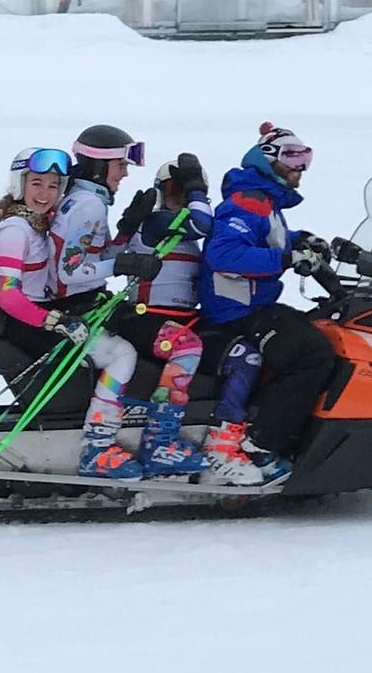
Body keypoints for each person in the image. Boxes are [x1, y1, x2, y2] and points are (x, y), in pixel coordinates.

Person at [116, 154, 265, 485]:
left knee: (247, 355)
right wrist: (197, 190)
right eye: (175, 188)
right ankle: (159, 441)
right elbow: (201, 222)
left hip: (186, 322)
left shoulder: (192, 240)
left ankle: (226, 442)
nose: (181, 197)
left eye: (189, 191)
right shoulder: (155, 223)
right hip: (147, 320)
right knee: (186, 346)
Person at [198, 123, 337, 475]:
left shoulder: (265, 202)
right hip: (236, 313)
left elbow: (269, 237)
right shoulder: (248, 201)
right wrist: (286, 259)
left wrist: (301, 240)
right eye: (292, 156)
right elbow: (225, 253)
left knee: (315, 331)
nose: (300, 166)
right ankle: (261, 443)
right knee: (313, 352)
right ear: (267, 158)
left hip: (253, 307)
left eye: (306, 157)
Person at [49, 124, 163, 479]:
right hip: (73, 307)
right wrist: (122, 264)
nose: (125, 174)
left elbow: (97, 254)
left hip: (83, 301)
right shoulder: (88, 207)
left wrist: (128, 228)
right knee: (122, 354)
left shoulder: (87, 200)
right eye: (120, 165)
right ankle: (97, 445)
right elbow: (70, 271)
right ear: (100, 166)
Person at [0, 146, 99, 411]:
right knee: (114, 355)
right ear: (21, 185)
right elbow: (8, 296)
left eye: (54, 186)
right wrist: (54, 321)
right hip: (24, 323)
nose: (45, 193)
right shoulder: (15, 232)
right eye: (37, 183)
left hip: (37, 314)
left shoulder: (37, 223)